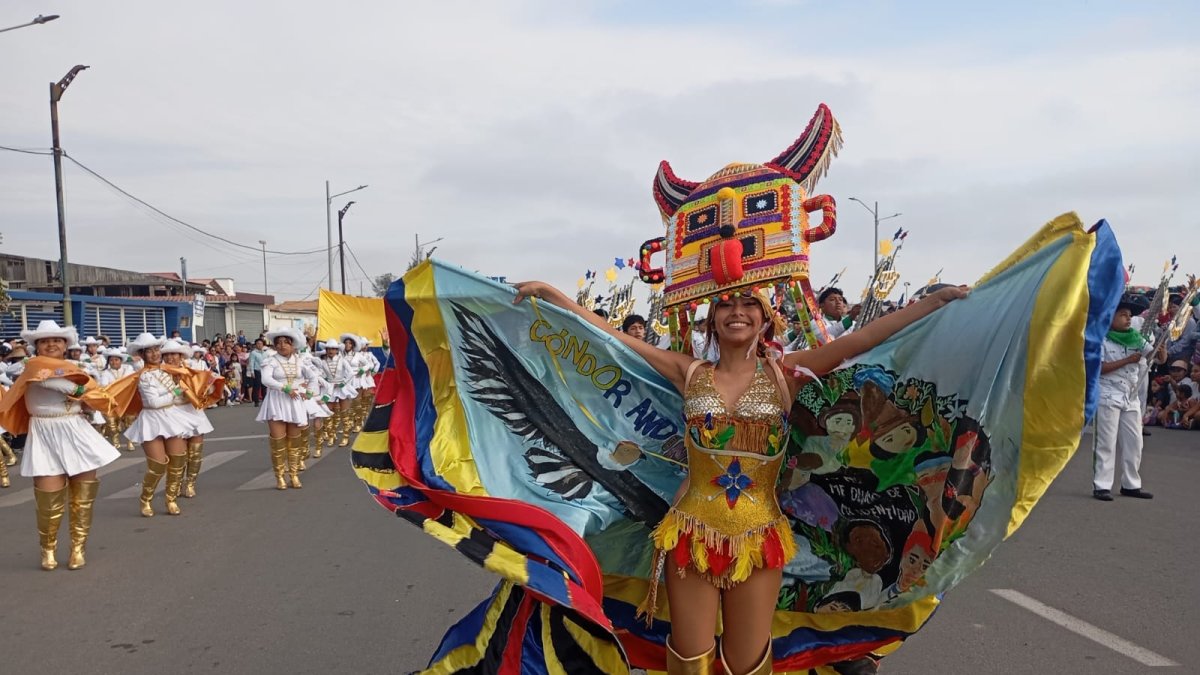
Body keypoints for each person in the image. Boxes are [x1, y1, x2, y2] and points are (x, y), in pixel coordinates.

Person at [512, 279, 966, 674]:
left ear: (765, 318)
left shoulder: (785, 374)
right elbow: (612, 340)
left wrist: (932, 304)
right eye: (726, 305)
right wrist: (556, 298)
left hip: (760, 536)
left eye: (749, 304)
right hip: (691, 534)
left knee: (747, 664)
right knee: (690, 660)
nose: (737, 312)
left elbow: (864, 339)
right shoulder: (687, 371)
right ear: (711, 321)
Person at [0, 320, 120, 570]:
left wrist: (85, 399)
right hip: (44, 432)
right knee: (48, 501)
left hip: (76, 430)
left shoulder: (76, 368)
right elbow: (48, 382)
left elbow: (92, 399)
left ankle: (78, 548)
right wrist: (79, 389)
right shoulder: (32, 367)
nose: (51, 344)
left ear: (65, 344)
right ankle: (48, 549)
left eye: (56, 340)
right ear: (37, 346)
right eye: (45, 341)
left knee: (83, 498)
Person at [1093, 293, 1166, 501]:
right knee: (1106, 442)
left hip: (1130, 396)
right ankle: (1102, 484)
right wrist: (1127, 360)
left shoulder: (1137, 337)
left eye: (1128, 315)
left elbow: (1158, 359)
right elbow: (1099, 368)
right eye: (1123, 314)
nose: (1127, 318)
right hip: (1108, 393)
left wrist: (1163, 347)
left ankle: (1131, 484)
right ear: (1111, 318)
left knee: (1135, 442)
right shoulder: (1102, 339)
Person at [121, 334, 203, 517]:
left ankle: (170, 499)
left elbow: (190, 385)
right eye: (149, 351)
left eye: (156, 349)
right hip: (151, 419)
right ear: (142, 355)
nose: (155, 354)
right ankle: (146, 498)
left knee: (178, 461)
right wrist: (176, 391)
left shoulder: (168, 371)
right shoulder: (144, 377)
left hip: (172, 417)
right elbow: (153, 402)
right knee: (158, 465)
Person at [257, 328, 315, 490]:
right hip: (276, 401)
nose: (282, 345)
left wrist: (309, 392)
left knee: (294, 442)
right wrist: (284, 388)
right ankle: (280, 476)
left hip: (295, 402)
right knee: (278, 442)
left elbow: (312, 377)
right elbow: (266, 379)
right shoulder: (270, 360)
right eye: (278, 343)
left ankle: (294, 475)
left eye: (285, 342)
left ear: (292, 344)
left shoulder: (300, 360)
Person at [96, 348, 136, 449]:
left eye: (116, 360)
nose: (114, 362)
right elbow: (104, 386)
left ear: (121, 361)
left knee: (129, 422)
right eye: (111, 360)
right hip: (112, 402)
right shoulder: (105, 373)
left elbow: (131, 381)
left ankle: (129, 441)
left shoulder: (128, 369)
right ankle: (115, 441)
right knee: (112, 424)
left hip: (126, 400)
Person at [247, 338, 266, 406]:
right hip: (256, 370)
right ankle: (256, 401)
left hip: (264, 371)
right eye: (258, 344)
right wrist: (252, 372)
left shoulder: (265, 353)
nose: (259, 345)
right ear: (255, 345)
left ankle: (265, 400)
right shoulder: (253, 353)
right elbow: (251, 362)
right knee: (257, 387)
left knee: (264, 386)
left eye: (261, 344)